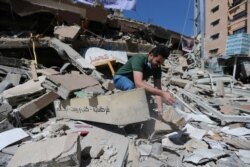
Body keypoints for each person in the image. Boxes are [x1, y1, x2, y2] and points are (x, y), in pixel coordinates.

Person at [113, 45, 175, 117]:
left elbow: (157, 88)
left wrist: (160, 111)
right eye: (157, 62)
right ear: (151, 55)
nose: (158, 65)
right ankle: (125, 113)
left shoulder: (157, 68)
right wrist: (163, 93)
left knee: (147, 94)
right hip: (120, 78)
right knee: (131, 87)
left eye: (161, 63)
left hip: (133, 84)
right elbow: (138, 83)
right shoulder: (139, 58)